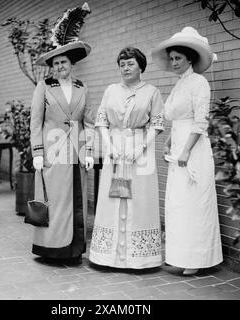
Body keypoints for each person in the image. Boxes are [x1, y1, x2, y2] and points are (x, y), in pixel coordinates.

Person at [151, 26, 223, 275]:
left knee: (194, 203)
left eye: (178, 58)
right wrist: (171, 140)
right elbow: (178, 117)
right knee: (178, 203)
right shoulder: (180, 84)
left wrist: (186, 151)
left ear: (190, 58)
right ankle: (179, 256)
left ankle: (197, 259)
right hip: (179, 144)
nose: (174, 63)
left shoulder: (199, 83)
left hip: (194, 149)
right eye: (171, 59)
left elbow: (201, 121)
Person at [89, 47, 164, 269]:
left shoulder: (152, 91)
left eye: (130, 64)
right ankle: (108, 256)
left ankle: (138, 258)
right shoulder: (111, 90)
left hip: (140, 152)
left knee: (139, 198)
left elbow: (157, 124)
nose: (125, 68)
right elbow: (101, 121)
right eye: (122, 64)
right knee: (112, 197)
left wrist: (140, 147)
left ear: (141, 66)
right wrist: (109, 144)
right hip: (115, 149)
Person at [30, 3, 94, 263]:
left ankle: (73, 250)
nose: (59, 66)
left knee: (76, 202)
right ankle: (52, 249)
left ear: (71, 63)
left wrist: (89, 151)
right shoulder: (44, 86)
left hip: (76, 154)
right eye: (55, 63)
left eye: (63, 61)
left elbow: (88, 122)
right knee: (54, 202)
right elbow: (35, 121)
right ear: (51, 66)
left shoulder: (82, 87)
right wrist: (37, 151)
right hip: (52, 153)